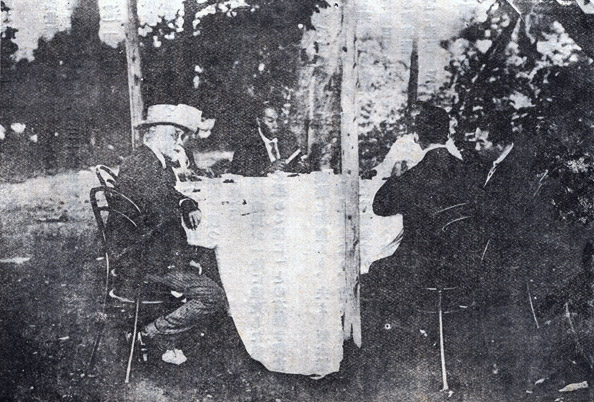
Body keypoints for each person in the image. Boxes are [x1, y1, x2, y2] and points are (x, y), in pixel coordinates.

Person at [106, 104, 227, 365]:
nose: (178, 142)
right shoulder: (145, 166)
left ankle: (173, 337)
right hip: (143, 261)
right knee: (213, 295)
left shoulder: (147, 160)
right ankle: (149, 335)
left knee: (204, 263)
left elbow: (168, 196)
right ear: (151, 133)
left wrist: (186, 203)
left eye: (180, 136)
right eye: (173, 135)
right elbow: (161, 224)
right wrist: (189, 256)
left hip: (143, 252)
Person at [361, 103, 480, 350]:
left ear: (417, 138)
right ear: (447, 135)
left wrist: (396, 176)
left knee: (373, 272)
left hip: (422, 269)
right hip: (466, 267)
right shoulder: (471, 173)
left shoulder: (414, 177)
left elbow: (379, 206)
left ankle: (385, 352)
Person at [230, 105, 303, 176]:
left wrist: (301, 166)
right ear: (259, 121)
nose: (276, 125)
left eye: (278, 121)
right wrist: (268, 168)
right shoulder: (247, 143)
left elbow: (296, 163)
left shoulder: (288, 139)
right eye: (270, 121)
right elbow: (236, 169)